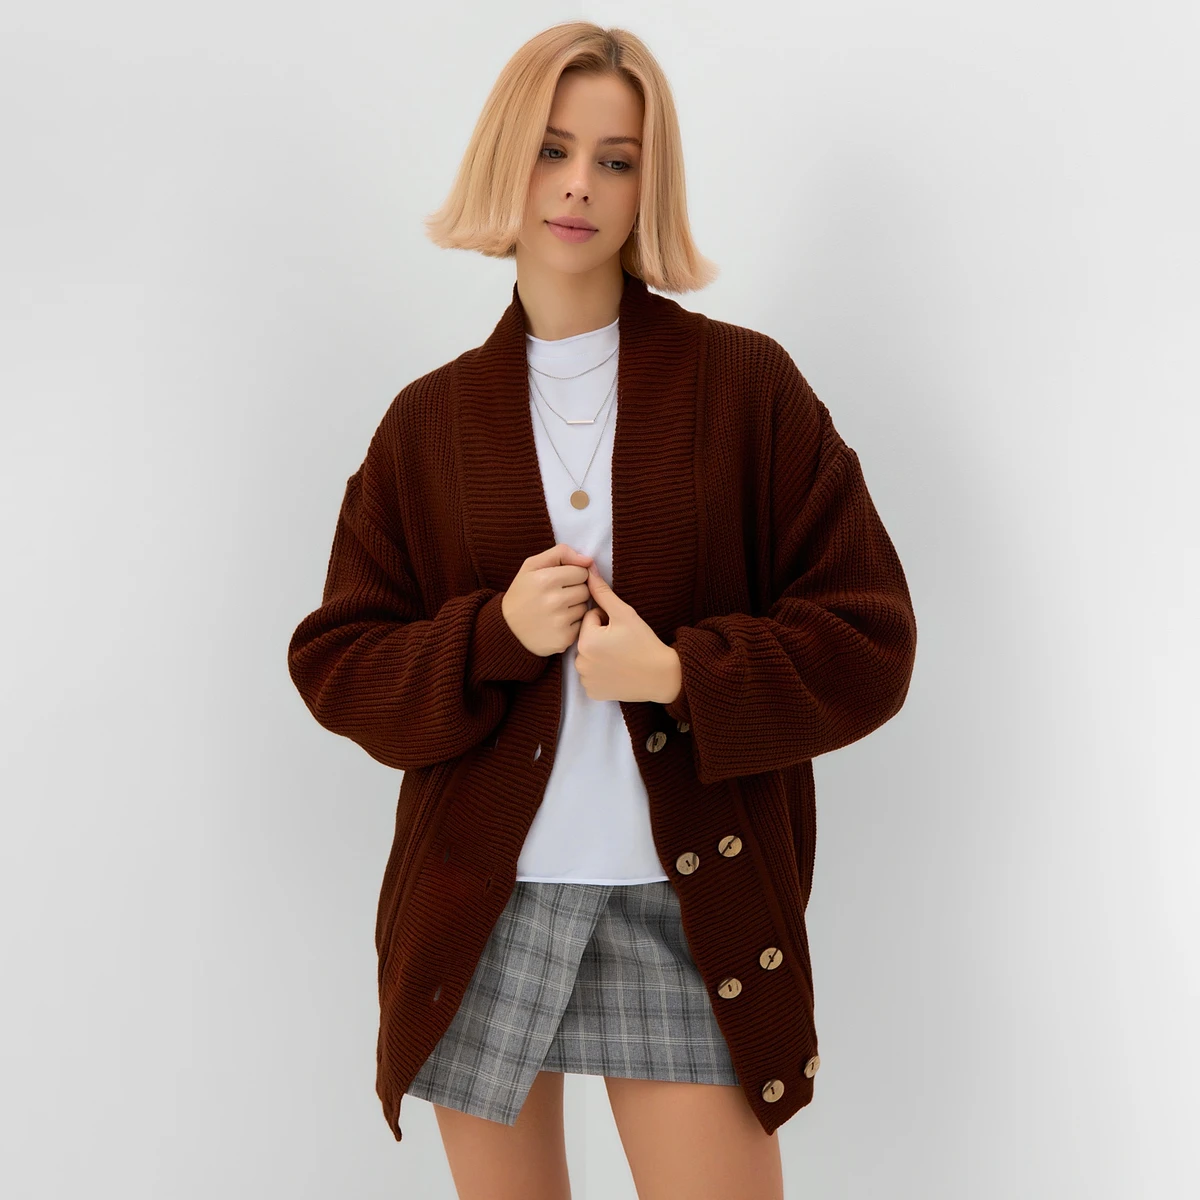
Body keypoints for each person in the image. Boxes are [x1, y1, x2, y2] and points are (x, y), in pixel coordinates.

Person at [287, 19, 917, 1200]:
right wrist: (492, 638)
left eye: (616, 159)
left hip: (689, 903)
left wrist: (683, 676)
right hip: (481, 910)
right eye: (552, 149)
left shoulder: (747, 389)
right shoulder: (428, 424)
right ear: (506, 161)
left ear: (646, 186)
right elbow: (340, 662)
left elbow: (870, 635)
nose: (579, 184)